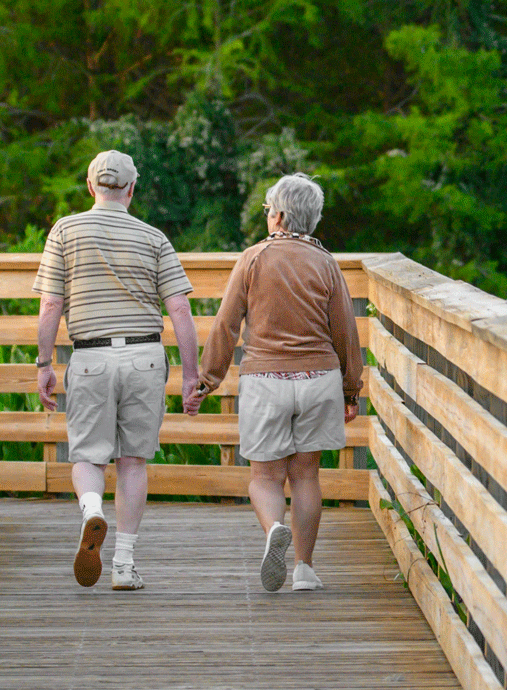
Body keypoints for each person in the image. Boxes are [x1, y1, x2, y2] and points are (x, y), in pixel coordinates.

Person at [187, 173, 363, 592]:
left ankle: (272, 532)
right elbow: (345, 331)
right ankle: (304, 569)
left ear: (279, 215)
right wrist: (350, 389)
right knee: (306, 475)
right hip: (318, 378)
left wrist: (205, 381)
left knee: (265, 477)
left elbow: (227, 325)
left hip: (266, 378)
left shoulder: (252, 258)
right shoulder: (326, 262)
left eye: (268, 211)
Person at [34, 150, 200, 590]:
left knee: (88, 455)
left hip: (90, 357)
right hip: (145, 358)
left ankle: (92, 510)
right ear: (131, 189)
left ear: (91, 187)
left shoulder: (65, 231)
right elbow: (180, 308)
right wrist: (191, 374)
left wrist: (44, 363)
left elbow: (51, 303)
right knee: (132, 462)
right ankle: (124, 566)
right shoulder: (154, 237)